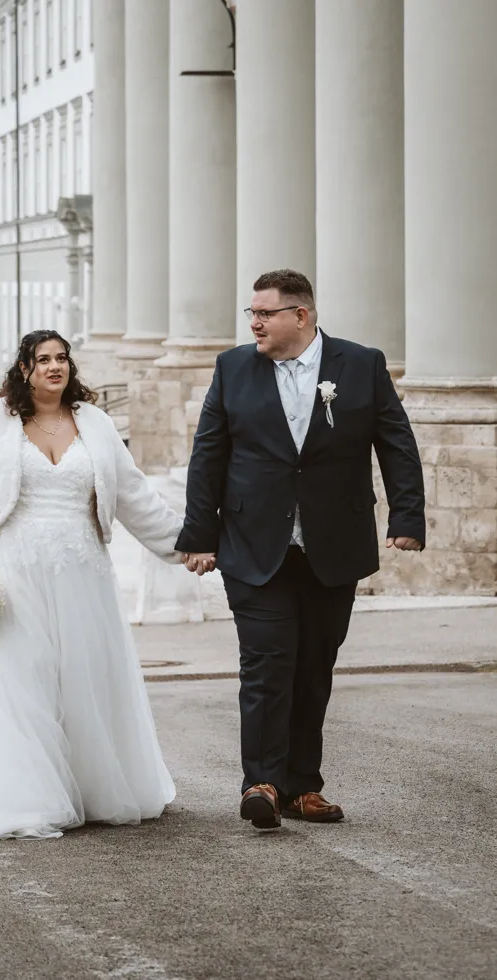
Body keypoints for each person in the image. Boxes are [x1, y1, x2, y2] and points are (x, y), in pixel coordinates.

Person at [0, 329, 182, 840]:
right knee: (21, 681)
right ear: (23, 369)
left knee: (82, 678)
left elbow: (134, 494)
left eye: (62, 358)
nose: (54, 367)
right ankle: (23, 797)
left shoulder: (95, 422)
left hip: (81, 571)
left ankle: (92, 789)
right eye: (42, 359)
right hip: (11, 570)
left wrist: (187, 545)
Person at [178, 269, 425, 830]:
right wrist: (198, 536)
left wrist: (408, 515)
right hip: (252, 546)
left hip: (332, 546)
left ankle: (301, 786)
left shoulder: (360, 365)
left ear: (302, 316)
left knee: (314, 666)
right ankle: (261, 783)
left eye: (265, 313)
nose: (255, 323)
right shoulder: (233, 367)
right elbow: (208, 455)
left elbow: (396, 442)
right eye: (252, 314)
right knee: (267, 664)